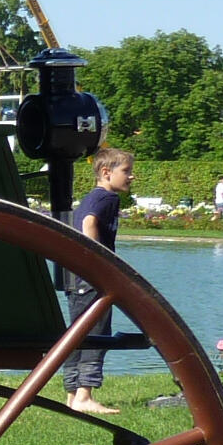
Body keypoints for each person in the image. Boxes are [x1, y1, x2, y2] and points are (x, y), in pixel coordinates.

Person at [62, 148, 135, 416]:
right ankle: (85, 396)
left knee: (77, 333)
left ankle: (72, 395)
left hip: (76, 277)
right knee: (97, 333)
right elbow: (89, 223)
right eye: (126, 171)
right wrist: (99, 262)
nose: (131, 176)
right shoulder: (107, 197)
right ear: (106, 172)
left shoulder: (92, 196)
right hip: (91, 279)